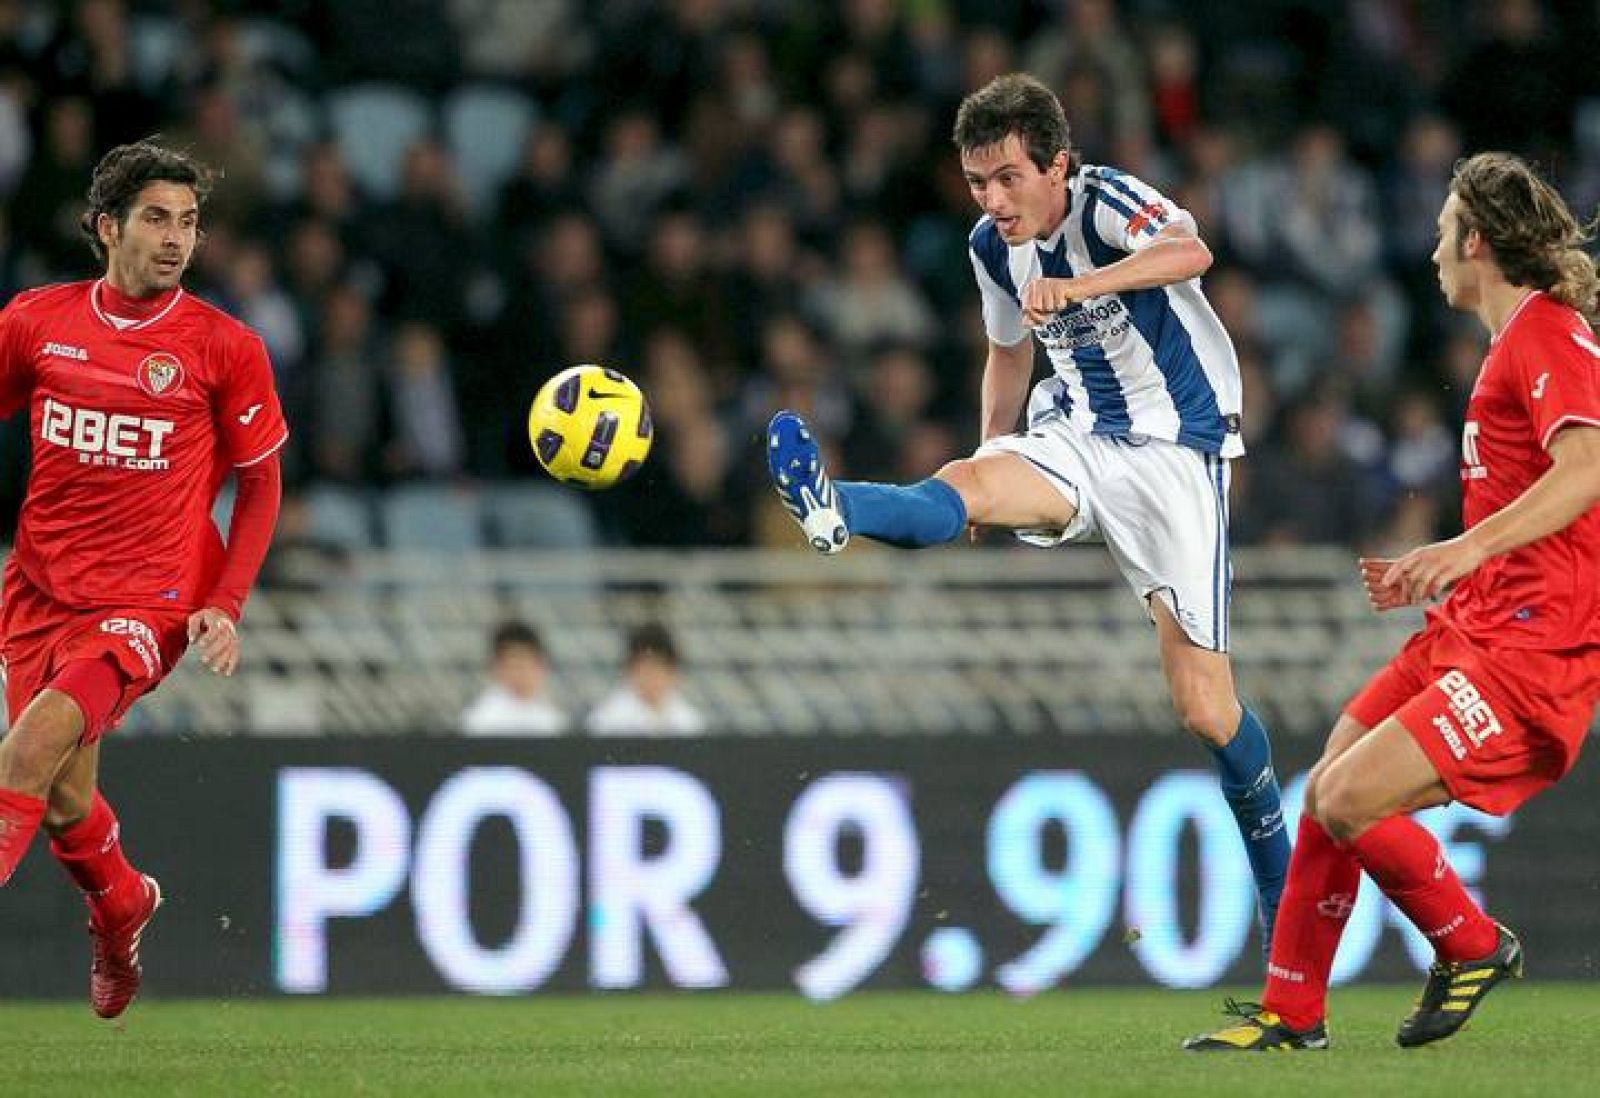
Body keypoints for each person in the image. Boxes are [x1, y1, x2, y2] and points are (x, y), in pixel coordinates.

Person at [767, 72, 1290, 944]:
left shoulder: (1104, 200)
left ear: (1057, 165)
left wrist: (1083, 289)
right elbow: (1008, 356)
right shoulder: (989, 248)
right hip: (1078, 434)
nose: (994, 199)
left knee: (1205, 709)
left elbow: (1192, 251)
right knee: (962, 484)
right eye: (978, 181)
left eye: (1009, 177)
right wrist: (987, 448)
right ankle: (834, 509)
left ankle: (1286, 898)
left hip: (1173, 452)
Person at [1184, 152, 1600, 1052]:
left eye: (1445, 230)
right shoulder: (1517, 340)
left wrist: (1461, 548)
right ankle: (1292, 1013)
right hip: (1474, 627)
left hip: (1533, 649)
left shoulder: (1548, 334)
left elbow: (1588, 470)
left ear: (1477, 240)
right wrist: (1446, 567)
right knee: (1329, 784)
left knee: (1348, 798)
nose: (1433, 252)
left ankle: (1473, 942)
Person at [0, 140, 287, 1018]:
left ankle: (118, 903)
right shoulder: (34, 324)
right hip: (39, 591)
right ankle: (123, 904)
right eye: (157, 218)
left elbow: (263, 480)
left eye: (189, 222)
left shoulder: (222, 347)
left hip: (148, 603)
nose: (176, 239)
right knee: (60, 801)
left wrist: (225, 603)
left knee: (26, 752)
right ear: (106, 226)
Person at [587, 622, 706, 736]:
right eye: (645, 669)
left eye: (659, 669)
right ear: (630, 670)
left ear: (672, 672)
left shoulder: (690, 721)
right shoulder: (606, 721)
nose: (652, 678)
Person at [460, 620, 568, 736]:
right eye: (516, 666)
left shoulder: (553, 719)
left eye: (530, 664)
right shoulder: (479, 720)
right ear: (497, 669)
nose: (524, 674)